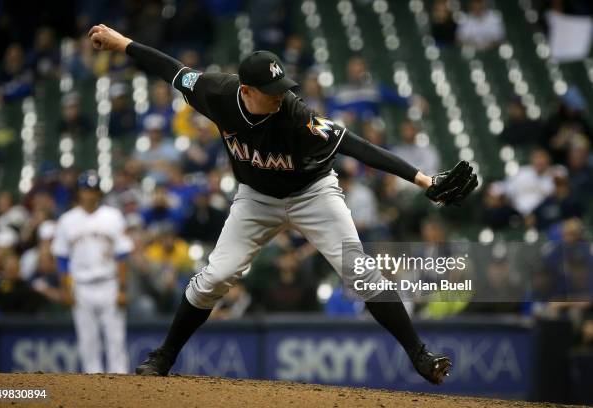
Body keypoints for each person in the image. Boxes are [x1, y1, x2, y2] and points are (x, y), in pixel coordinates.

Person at [88, 24, 478, 384]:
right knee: (215, 277)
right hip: (256, 199)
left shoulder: (295, 113)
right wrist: (123, 43)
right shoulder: (217, 92)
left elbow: (357, 146)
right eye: (271, 91)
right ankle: (164, 356)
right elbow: (172, 70)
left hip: (313, 193)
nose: (281, 96)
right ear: (246, 90)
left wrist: (424, 179)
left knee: (360, 272)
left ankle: (420, 355)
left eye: (282, 88)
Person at [51, 170, 133, 373]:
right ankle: (92, 393)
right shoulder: (67, 220)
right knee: (88, 342)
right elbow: (61, 258)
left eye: (94, 190)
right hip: (81, 286)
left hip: (109, 283)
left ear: (99, 193)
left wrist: (122, 288)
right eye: (86, 189)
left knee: (115, 340)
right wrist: (65, 288)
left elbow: (122, 255)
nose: (90, 194)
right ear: (79, 192)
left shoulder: (112, 216)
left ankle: (121, 389)